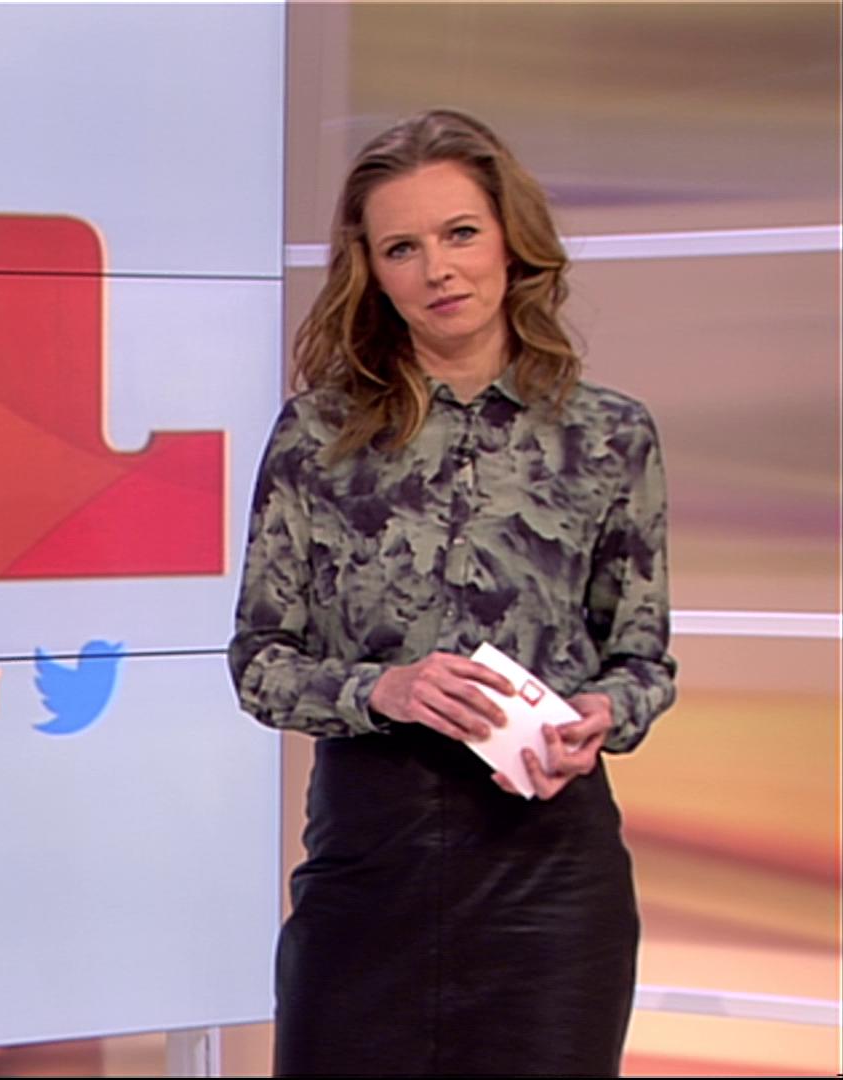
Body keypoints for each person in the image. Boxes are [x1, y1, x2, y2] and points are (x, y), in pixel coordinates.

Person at [228, 108, 677, 1076]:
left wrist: (607, 712)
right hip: (370, 864)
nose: (438, 269)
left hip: (549, 873)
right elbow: (259, 664)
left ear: (511, 241)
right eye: (403, 247)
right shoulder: (317, 436)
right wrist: (382, 689)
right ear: (373, 273)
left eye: (461, 233)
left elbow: (642, 659)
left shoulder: (609, 436)